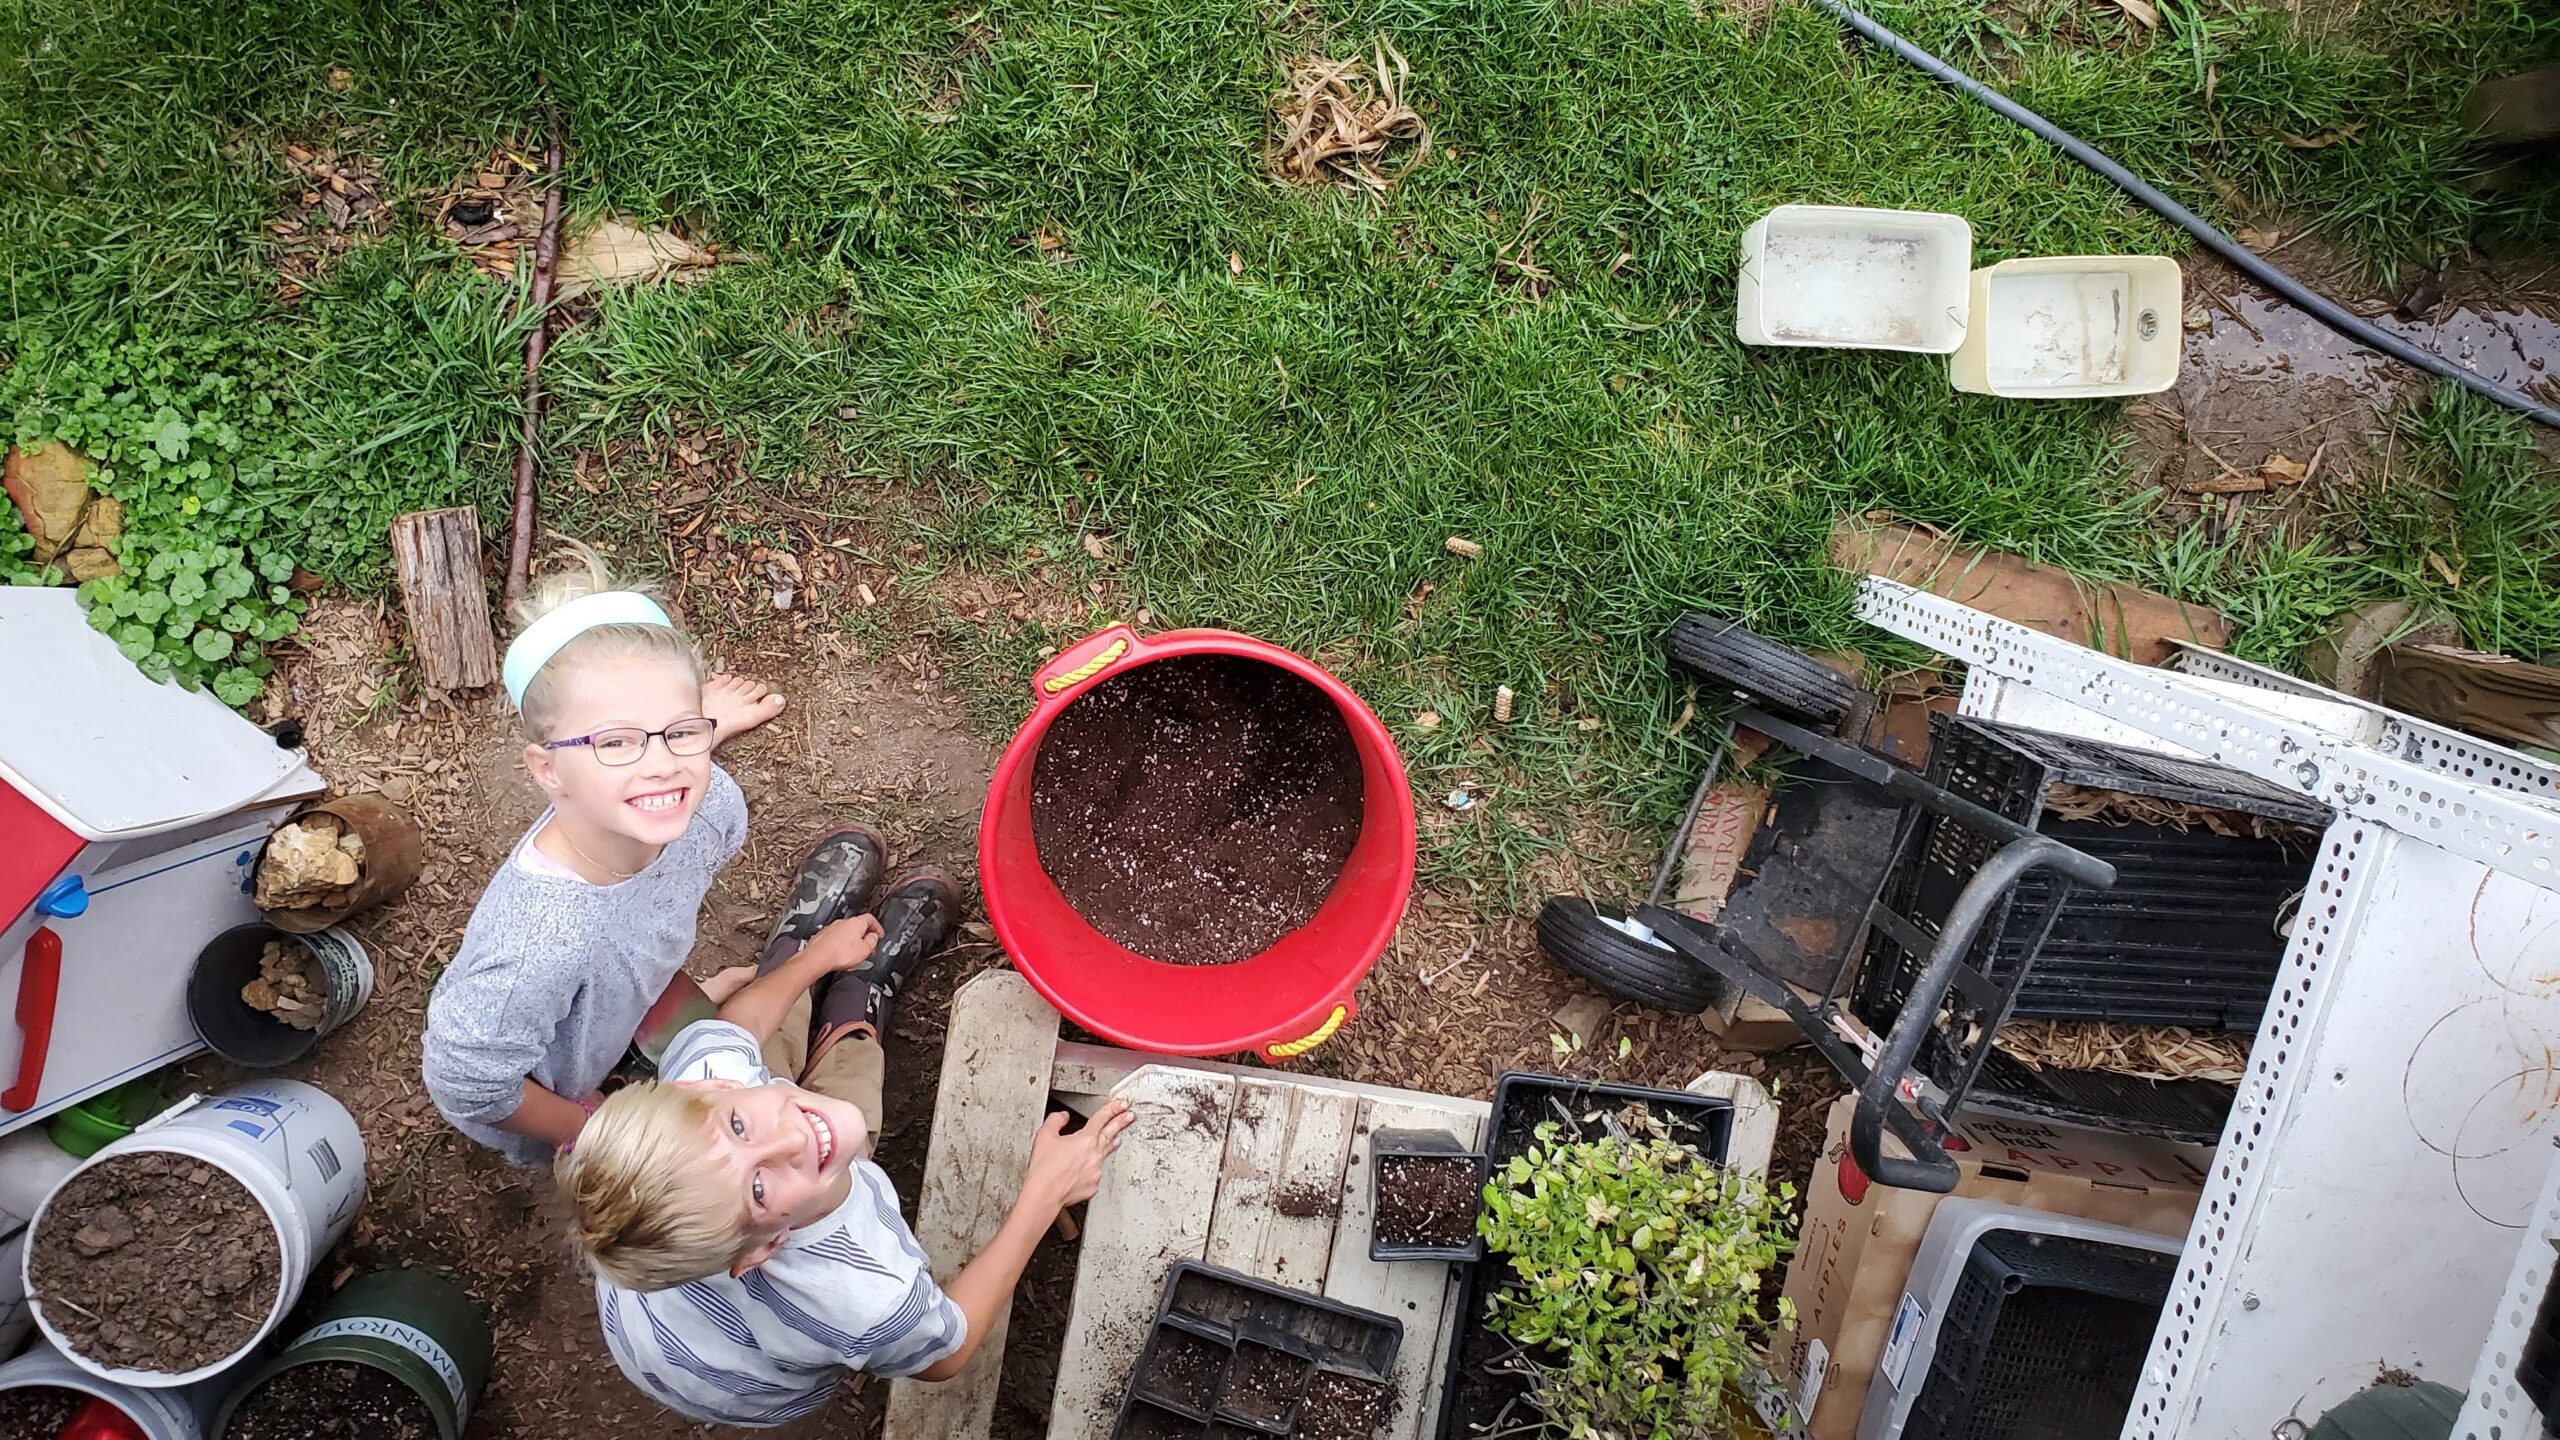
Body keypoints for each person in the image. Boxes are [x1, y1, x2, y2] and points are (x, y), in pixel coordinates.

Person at [558, 835, 1136, 1424]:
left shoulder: (698, 1117)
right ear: (760, 1251)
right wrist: (1045, 1193)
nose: (790, 1137)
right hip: (754, 1381)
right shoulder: (863, 1295)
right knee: (851, 1102)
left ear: (704, 1088)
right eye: (758, 1188)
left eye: (738, 1125)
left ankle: (797, 951)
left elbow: (731, 1033)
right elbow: (949, 1352)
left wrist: (816, 959)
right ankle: (859, 1007)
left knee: (771, 1038)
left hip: (670, 1327)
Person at [421, 546, 793, 1166]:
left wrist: (660, 991)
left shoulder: (708, 808)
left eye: (681, 730)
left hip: (615, 1010)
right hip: (560, 1090)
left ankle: (653, 1017)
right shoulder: (535, 948)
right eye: (615, 741)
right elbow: (470, 1083)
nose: (661, 764)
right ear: (546, 768)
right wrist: (591, 1125)